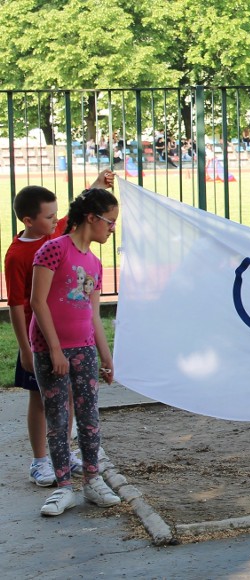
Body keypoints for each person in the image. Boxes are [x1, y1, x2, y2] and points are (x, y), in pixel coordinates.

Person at [4, 171, 114, 487]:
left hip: (67, 338)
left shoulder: (55, 237)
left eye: (57, 215)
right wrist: (25, 349)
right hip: (37, 341)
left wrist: (97, 184)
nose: (56, 220)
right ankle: (40, 461)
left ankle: (62, 456)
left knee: (64, 399)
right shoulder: (18, 255)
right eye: (49, 216)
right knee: (40, 400)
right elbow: (17, 305)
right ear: (28, 220)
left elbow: (81, 212)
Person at [31, 187, 121, 516]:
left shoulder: (94, 264)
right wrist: (54, 350)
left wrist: (106, 356)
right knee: (57, 418)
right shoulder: (54, 250)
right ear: (91, 218)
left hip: (84, 350)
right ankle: (63, 487)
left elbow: (93, 315)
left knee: (89, 417)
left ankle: (93, 481)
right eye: (109, 223)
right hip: (50, 349)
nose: (112, 229)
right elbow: (37, 302)